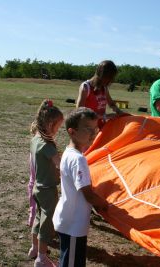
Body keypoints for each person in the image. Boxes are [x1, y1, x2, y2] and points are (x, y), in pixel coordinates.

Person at [52, 107, 108, 267]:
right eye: (87, 129)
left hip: (68, 219)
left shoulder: (69, 152)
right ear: (72, 131)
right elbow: (88, 194)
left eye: (95, 129)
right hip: (73, 225)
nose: (93, 133)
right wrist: (105, 205)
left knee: (69, 260)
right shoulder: (78, 160)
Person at [28, 99, 64, 267]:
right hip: (48, 190)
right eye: (58, 127)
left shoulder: (36, 138)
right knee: (47, 224)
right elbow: (60, 165)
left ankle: (34, 248)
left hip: (37, 188)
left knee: (38, 218)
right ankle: (41, 258)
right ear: (50, 125)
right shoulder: (48, 145)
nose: (58, 130)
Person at [76, 60, 123, 128]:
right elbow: (79, 111)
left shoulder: (104, 87)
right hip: (87, 128)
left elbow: (111, 104)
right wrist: (105, 116)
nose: (110, 81)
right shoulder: (86, 87)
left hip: (100, 127)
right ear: (101, 75)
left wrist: (119, 112)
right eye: (109, 78)